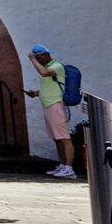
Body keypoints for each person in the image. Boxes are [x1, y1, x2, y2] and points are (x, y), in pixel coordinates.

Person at [24, 44, 77, 178]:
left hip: (56, 105)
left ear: (45, 55)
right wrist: (35, 93)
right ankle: (63, 166)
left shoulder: (56, 66)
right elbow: (49, 87)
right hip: (48, 106)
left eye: (39, 57)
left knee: (64, 138)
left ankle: (69, 169)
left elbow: (44, 73)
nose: (38, 60)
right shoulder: (48, 67)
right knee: (57, 139)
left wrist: (32, 59)